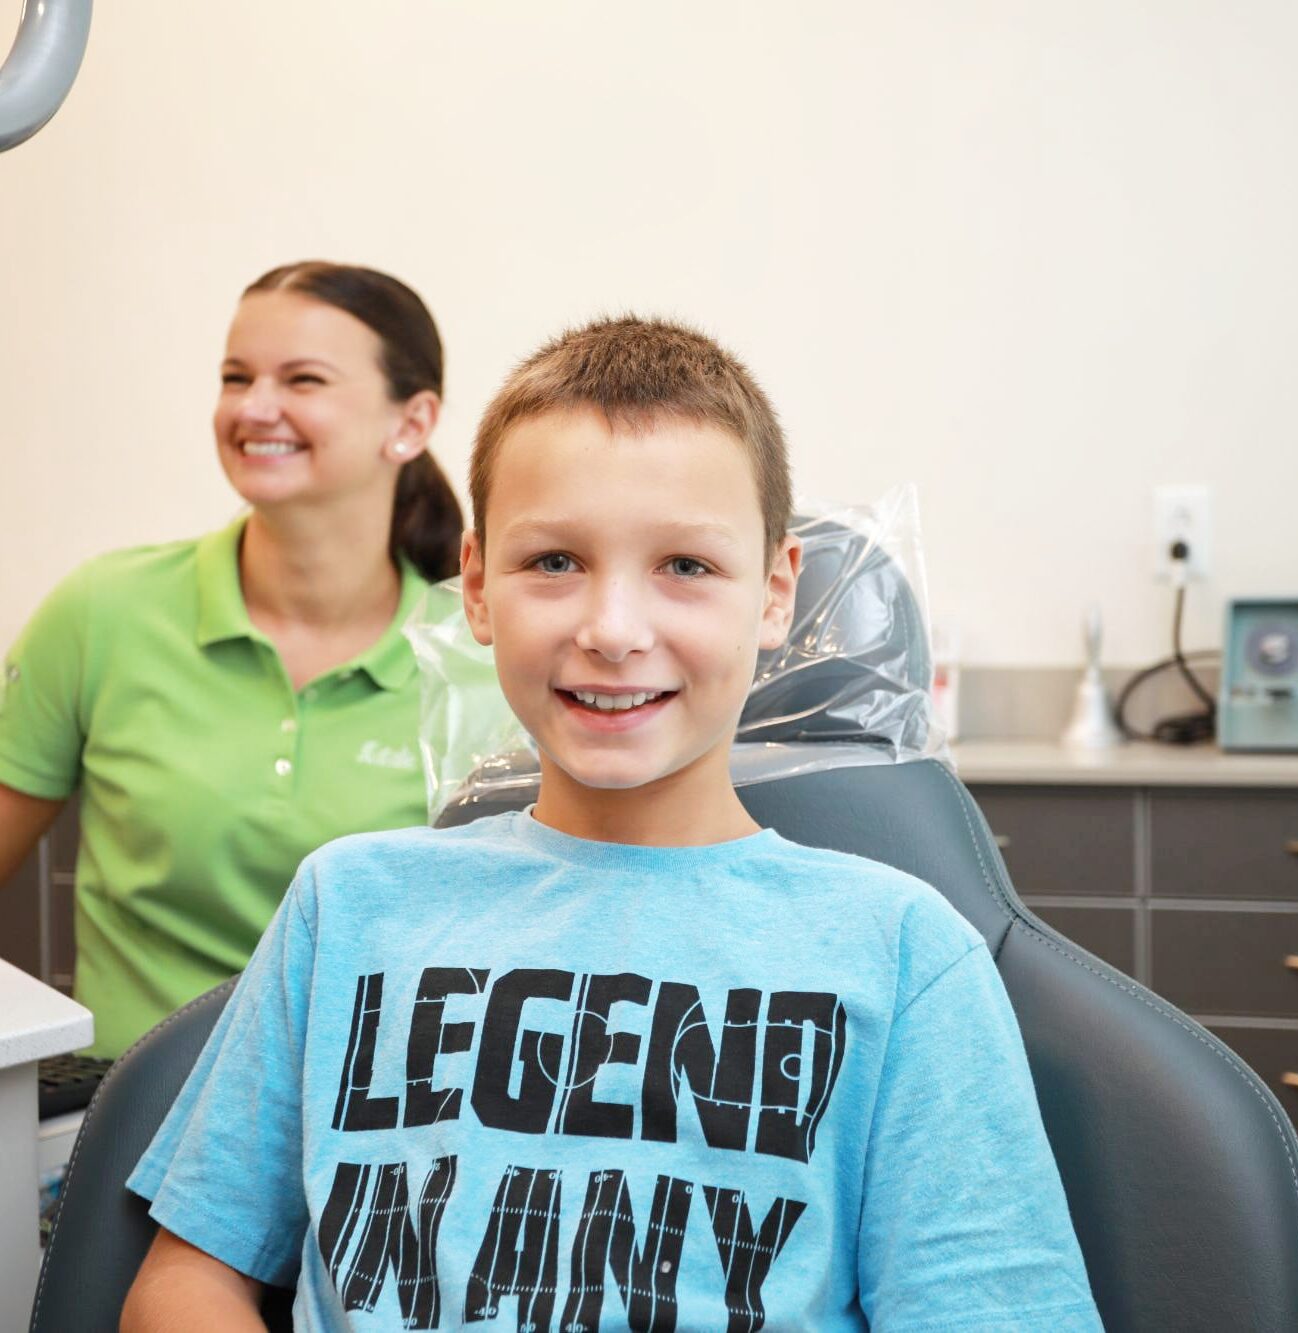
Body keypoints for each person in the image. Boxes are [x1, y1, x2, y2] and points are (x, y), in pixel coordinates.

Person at [122, 317, 1102, 1329]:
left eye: (684, 565)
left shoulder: (902, 955)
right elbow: (188, 1279)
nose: (613, 631)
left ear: (774, 592)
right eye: (552, 561)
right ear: (477, 583)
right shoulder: (351, 905)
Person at [0, 261, 498, 1060]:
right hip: (120, 1124)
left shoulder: (476, 661)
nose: (254, 407)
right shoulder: (102, 611)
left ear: (410, 422)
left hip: (368, 1138)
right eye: (237, 377)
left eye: (302, 379)